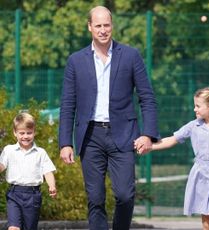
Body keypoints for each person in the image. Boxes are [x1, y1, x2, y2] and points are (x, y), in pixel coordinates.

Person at [59, 5, 160, 230]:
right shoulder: (75, 61)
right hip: (90, 136)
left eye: (107, 25)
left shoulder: (131, 56)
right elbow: (67, 104)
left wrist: (147, 134)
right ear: (89, 27)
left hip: (123, 135)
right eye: (98, 25)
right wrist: (65, 142)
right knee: (95, 199)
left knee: (125, 195)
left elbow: (147, 98)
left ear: (112, 25)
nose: (103, 30)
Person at [135, 86, 209, 230]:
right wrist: (150, 147)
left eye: (198, 106)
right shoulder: (193, 126)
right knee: (206, 218)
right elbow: (172, 140)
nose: (194, 109)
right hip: (200, 174)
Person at [0, 112, 57, 230]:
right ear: (15, 133)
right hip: (14, 194)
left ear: (34, 132)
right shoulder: (9, 150)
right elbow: (2, 165)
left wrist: (52, 185)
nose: (25, 136)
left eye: (29, 133)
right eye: (22, 133)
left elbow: (48, 171)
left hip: (33, 196)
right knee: (13, 227)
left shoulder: (40, 153)